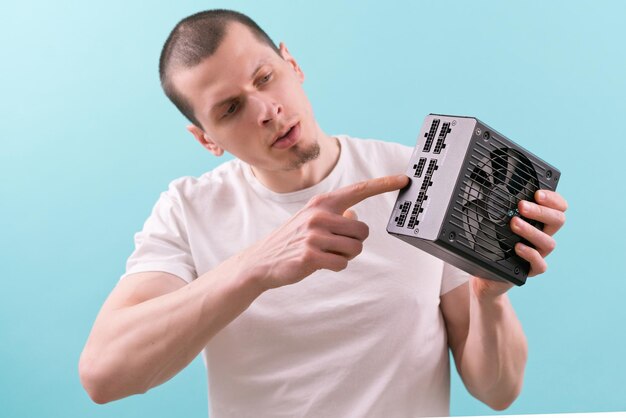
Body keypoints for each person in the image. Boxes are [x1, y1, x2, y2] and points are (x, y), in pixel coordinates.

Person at [79, 9, 568, 417]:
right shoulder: (188, 210)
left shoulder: (417, 178)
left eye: (265, 77)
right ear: (206, 139)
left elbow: (498, 391)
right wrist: (258, 266)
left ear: (291, 63)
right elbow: (104, 374)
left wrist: (488, 295)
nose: (265, 110)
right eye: (230, 109)